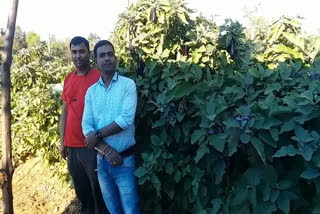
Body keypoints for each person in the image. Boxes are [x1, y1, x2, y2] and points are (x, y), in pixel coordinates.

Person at [82, 40, 141, 214]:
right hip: (102, 162)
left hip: (125, 162)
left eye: (110, 54)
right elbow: (86, 125)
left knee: (131, 209)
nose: (107, 58)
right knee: (112, 210)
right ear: (96, 61)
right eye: (102, 55)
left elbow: (126, 120)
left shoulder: (128, 85)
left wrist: (97, 135)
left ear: (115, 57)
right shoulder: (91, 92)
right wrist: (106, 150)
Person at [60, 36, 108, 214]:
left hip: (92, 146)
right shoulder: (68, 79)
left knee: (99, 192)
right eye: (74, 52)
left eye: (81, 51)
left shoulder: (98, 77)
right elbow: (65, 111)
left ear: (89, 53)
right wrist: (62, 141)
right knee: (82, 193)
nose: (78, 55)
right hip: (72, 147)